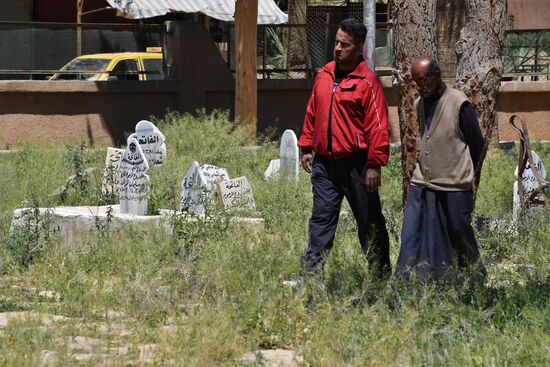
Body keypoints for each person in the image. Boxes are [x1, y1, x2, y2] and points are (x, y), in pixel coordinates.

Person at [285, 18, 391, 286]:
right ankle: (310, 276)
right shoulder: (324, 75)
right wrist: (306, 147)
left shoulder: (368, 82)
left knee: (369, 223)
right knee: (320, 220)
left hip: (357, 166)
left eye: (344, 44)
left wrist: (374, 165)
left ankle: (379, 277)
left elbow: (378, 127)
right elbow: (313, 112)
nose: (337, 48)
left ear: (358, 48)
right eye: (336, 42)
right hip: (325, 166)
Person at [395, 56, 486, 281]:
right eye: (416, 82)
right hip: (422, 182)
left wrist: (465, 172)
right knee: (412, 233)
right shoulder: (420, 104)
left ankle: (475, 277)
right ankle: (410, 281)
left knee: (458, 231)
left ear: (437, 76)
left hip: (454, 184)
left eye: (423, 81)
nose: (420, 87)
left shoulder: (458, 103)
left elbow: (477, 143)